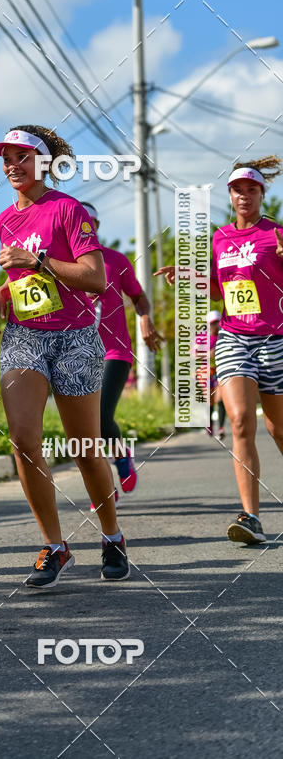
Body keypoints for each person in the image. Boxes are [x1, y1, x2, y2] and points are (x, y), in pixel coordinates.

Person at [0, 126, 130, 586]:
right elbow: (26, 275)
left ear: (44, 163)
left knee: (85, 448)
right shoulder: (6, 216)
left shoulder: (67, 209)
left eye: (22, 156)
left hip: (74, 337)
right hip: (25, 335)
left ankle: (111, 536)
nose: (12, 165)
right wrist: (3, 291)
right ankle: (54, 546)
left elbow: (94, 278)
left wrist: (38, 263)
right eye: (6, 158)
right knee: (23, 440)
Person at [156, 158, 283, 545]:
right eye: (237, 190)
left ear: (263, 194)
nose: (244, 195)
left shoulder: (276, 233)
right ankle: (252, 517)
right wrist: (188, 277)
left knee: (279, 429)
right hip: (233, 337)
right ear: (229, 195)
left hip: (275, 338)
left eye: (251, 189)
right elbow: (219, 288)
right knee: (241, 419)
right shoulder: (219, 238)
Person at [80, 202, 162, 498]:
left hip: (114, 351)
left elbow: (139, 298)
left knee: (100, 418)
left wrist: (145, 319)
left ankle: (120, 456)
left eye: (87, 223)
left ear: (96, 227)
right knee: (82, 429)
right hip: (76, 354)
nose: (81, 228)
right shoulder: (60, 265)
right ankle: (103, 488)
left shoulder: (115, 261)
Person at [195, 309, 227, 440]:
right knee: (209, 401)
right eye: (213, 323)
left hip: (221, 371)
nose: (215, 325)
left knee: (221, 399)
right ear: (208, 324)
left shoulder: (225, 336)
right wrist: (208, 354)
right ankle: (209, 425)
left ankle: (221, 428)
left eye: (217, 322)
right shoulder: (202, 338)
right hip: (205, 372)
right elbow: (193, 354)